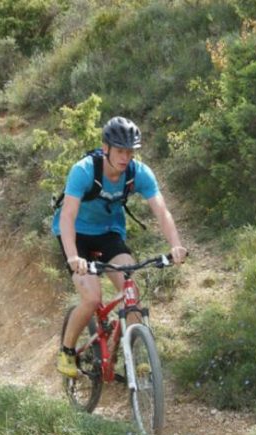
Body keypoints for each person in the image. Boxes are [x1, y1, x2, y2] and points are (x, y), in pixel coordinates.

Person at [52, 116, 187, 378]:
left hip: (108, 234)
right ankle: (67, 351)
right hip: (75, 234)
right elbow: (67, 216)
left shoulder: (139, 174)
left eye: (130, 151)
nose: (126, 157)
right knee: (91, 298)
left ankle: (133, 357)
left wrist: (176, 246)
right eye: (120, 151)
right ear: (106, 148)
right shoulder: (84, 171)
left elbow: (162, 211)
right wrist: (72, 257)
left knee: (131, 292)